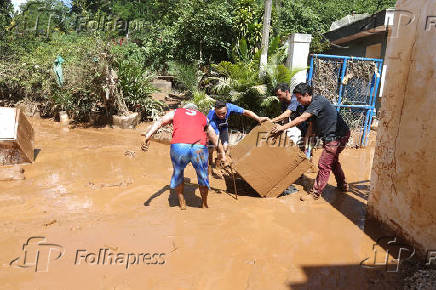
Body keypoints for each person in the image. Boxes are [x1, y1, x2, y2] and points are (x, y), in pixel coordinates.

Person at [271, 83, 351, 201]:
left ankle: (315, 193)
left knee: (323, 164)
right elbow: (311, 125)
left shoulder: (318, 102)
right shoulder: (309, 105)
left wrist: (282, 127)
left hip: (337, 136)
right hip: (332, 136)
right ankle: (342, 185)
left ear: (307, 95)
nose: (298, 101)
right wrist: (307, 143)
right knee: (332, 162)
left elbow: (301, 118)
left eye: (299, 98)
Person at [142, 104, 226, 210]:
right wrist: (222, 153)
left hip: (179, 146)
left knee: (178, 172)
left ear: (185, 108)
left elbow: (160, 122)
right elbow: (213, 135)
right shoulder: (202, 116)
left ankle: (182, 203)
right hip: (199, 146)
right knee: (203, 176)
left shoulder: (176, 112)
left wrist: (147, 136)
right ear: (195, 110)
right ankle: (204, 204)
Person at [207, 100, 269, 175]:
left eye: (223, 113)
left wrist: (258, 118)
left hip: (223, 126)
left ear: (227, 108)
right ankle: (209, 169)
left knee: (225, 147)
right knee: (211, 149)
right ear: (215, 111)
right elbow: (216, 141)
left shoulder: (229, 106)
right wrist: (222, 153)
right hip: (212, 129)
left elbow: (246, 112)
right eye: (218, 114)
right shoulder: (212, 119)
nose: (221, 116)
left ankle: (218, 166)